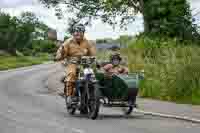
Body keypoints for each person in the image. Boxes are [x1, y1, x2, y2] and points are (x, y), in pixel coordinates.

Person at [55, 23, 96, 105]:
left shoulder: (88, 42)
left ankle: (94, 94)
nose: (78, 33)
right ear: (73, 32)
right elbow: (61, 51)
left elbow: (93, 53)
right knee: (72, 74)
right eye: (76, 31)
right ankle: (69, 96)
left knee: (92, 74)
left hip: (85, 63)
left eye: (80, 31)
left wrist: (95, 60)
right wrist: (59, 56)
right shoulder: (68, 42)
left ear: (83, 33)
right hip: (72, 63)